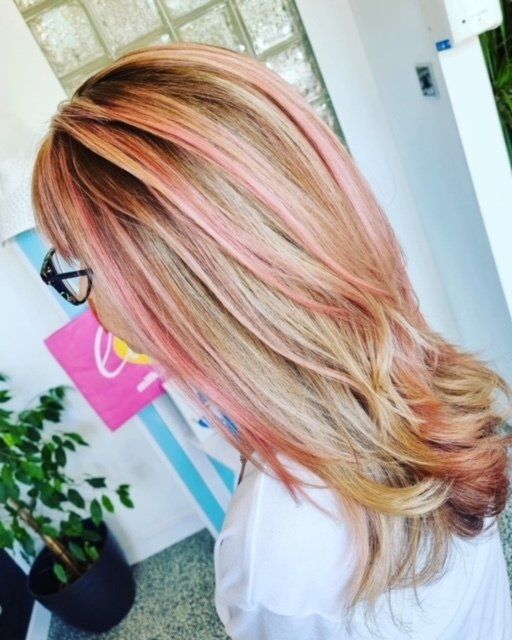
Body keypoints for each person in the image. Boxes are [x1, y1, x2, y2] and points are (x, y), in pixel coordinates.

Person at [31, 42, 512, 639]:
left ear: (173, 297)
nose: (85, 299)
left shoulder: (274, 564)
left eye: (75, 266)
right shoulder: (417, 367)